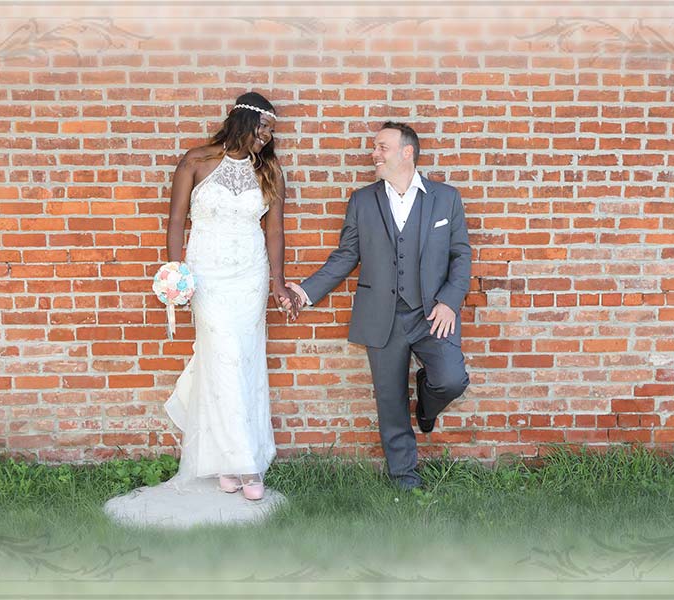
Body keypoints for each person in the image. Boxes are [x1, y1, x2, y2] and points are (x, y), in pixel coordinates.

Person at [288, 122, 471, 490]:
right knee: (390, 402)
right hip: (381, 317)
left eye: (381, 147)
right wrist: (304, 293)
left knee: (451, 379)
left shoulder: (446, 198)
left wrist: (450, 301)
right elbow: (346, 256)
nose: (374, 154)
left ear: (407, 152)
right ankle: (405, 478)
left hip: (431, 313)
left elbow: (460, 254)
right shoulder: (362, 200)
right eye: (375, 147)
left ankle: (427, 402)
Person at [162, 92, 297, 501]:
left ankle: (238, 459)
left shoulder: (269, 169)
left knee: (245, 361)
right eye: (264, 128)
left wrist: (278, 281)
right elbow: (175, 221)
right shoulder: (196, 161)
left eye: (271, 131)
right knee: (221, 355)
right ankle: (239, 463)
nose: (268, 137)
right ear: (243, 121)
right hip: (208, 276)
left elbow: (274, 231)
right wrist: (177, 272)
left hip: (249, 276)